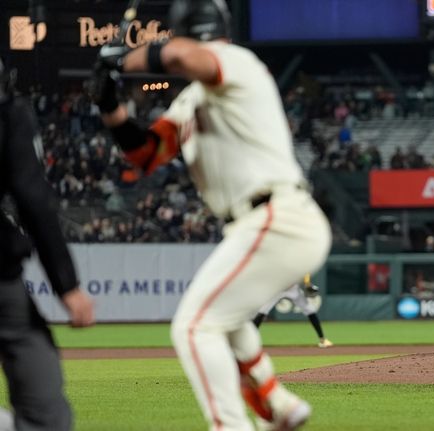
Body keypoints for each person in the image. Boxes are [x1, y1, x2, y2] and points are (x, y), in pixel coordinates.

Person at [91, 1, 331, 429]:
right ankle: (278, 404)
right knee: (226, 319)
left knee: (193, 327)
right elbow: (146, 153)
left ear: (185, 34)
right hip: (259, 223)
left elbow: (183, 56)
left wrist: (124, 59)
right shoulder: (192, 98)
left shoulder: (236, 61)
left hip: (278, 215)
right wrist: (110, 106)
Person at [0, 59, 95, 430]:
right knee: (46, 415)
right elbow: (32, 198)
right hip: (3, 286)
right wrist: (67, 285)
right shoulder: (9, 115)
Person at [253, 274, 333, 348]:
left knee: (310, 310)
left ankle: (323, 340)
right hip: (277, 290)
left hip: (293, 290)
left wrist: (307, 284)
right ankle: (246, 340)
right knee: (262, 312)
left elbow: (305, 272)